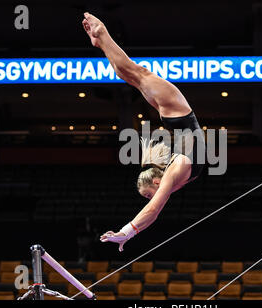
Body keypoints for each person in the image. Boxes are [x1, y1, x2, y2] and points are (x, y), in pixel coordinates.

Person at [82, 12, 205, 251]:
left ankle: (102, 37)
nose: (152, 199)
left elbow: (153, 210)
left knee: (133, 75)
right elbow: (154, 209)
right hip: (178, 111)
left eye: (149, 195)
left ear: (156, 182)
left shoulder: (172, 174)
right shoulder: (172, 175)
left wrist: (126, 233)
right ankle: (101, 38)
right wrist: (126, 233)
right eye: (149, 195)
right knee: (133, 75)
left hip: (175, 112)